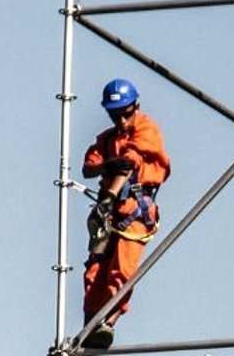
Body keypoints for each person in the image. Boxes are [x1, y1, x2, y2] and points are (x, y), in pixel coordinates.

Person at [80, 77, 171, 350]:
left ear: (136, 106)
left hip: (134, 211)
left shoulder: (146, 129)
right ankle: (89, 331)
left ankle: (109, 323)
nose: (120, 121)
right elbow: (89, 166)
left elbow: (130, 162)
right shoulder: (108, 139)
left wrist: (109, 193)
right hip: (108, 215)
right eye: (114, 115)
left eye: (125, 114)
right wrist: (108, 166)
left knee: (123, 270)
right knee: (94, 272)